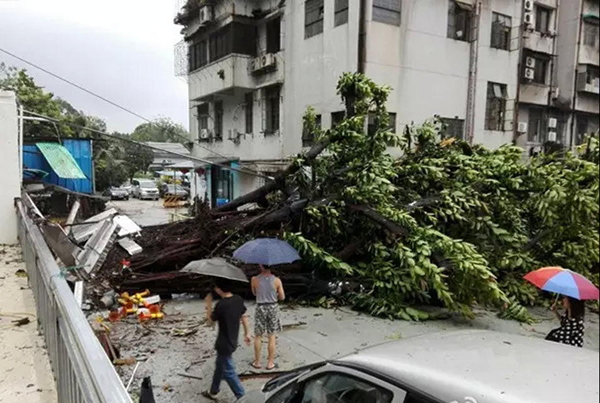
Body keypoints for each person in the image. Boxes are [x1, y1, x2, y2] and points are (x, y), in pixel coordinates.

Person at [203, 278, 251, 400]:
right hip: (233, 340)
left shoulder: (221, 305)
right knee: (220, 366)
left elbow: (210, 322)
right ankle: (213, 390)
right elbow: (244, 316)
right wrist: (247, 333)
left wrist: (208, 305)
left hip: (224, 343)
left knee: (229, 373)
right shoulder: (238, 300)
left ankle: (243, 398)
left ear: (219, 289)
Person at [251, 264, 285, 370]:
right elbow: (282, 297)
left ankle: (257, 362)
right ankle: (270, 363)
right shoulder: (277, 280)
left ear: (261, 266)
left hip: (260, 307)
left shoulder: (254, 279)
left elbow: (254, 293)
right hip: (272, 307)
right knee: (271, 336)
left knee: (258, 335)